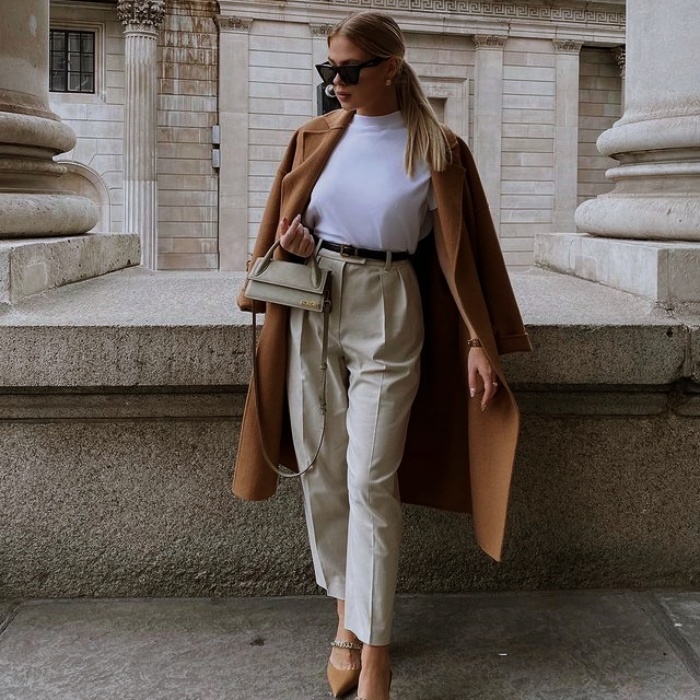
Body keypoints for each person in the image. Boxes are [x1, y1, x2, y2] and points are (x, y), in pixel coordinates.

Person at [233, 10, 531, 700]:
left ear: (390, 68)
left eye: (348, 70)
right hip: (313, 301)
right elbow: (284, 233)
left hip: (390, 305)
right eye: (328, 69)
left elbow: (466, 256)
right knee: (321, 468)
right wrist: (293, 243)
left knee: (370, 477)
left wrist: (481, 343)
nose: (335, 82)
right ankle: (345, 623)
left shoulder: (439, 149)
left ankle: (377, 653)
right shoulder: (314, 137)